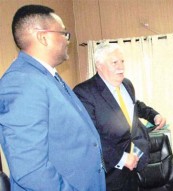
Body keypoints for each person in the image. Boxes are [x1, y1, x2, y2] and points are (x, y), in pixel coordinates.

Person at [0, 4, 106, 190]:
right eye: (64, 33)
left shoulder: (46, 77)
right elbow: (31, 170)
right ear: (43, 37)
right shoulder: (22, 82)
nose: (68, 40)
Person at [73, 43, 166, 191]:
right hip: (110, 170)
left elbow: (134, 105)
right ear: (99, 65)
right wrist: (121, 158)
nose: (121, 67)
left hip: (134, 160)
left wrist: (153, 115)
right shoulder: (84, 92)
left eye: (122, 61)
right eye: (115, 62)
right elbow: (89, 136)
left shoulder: (126, 84)